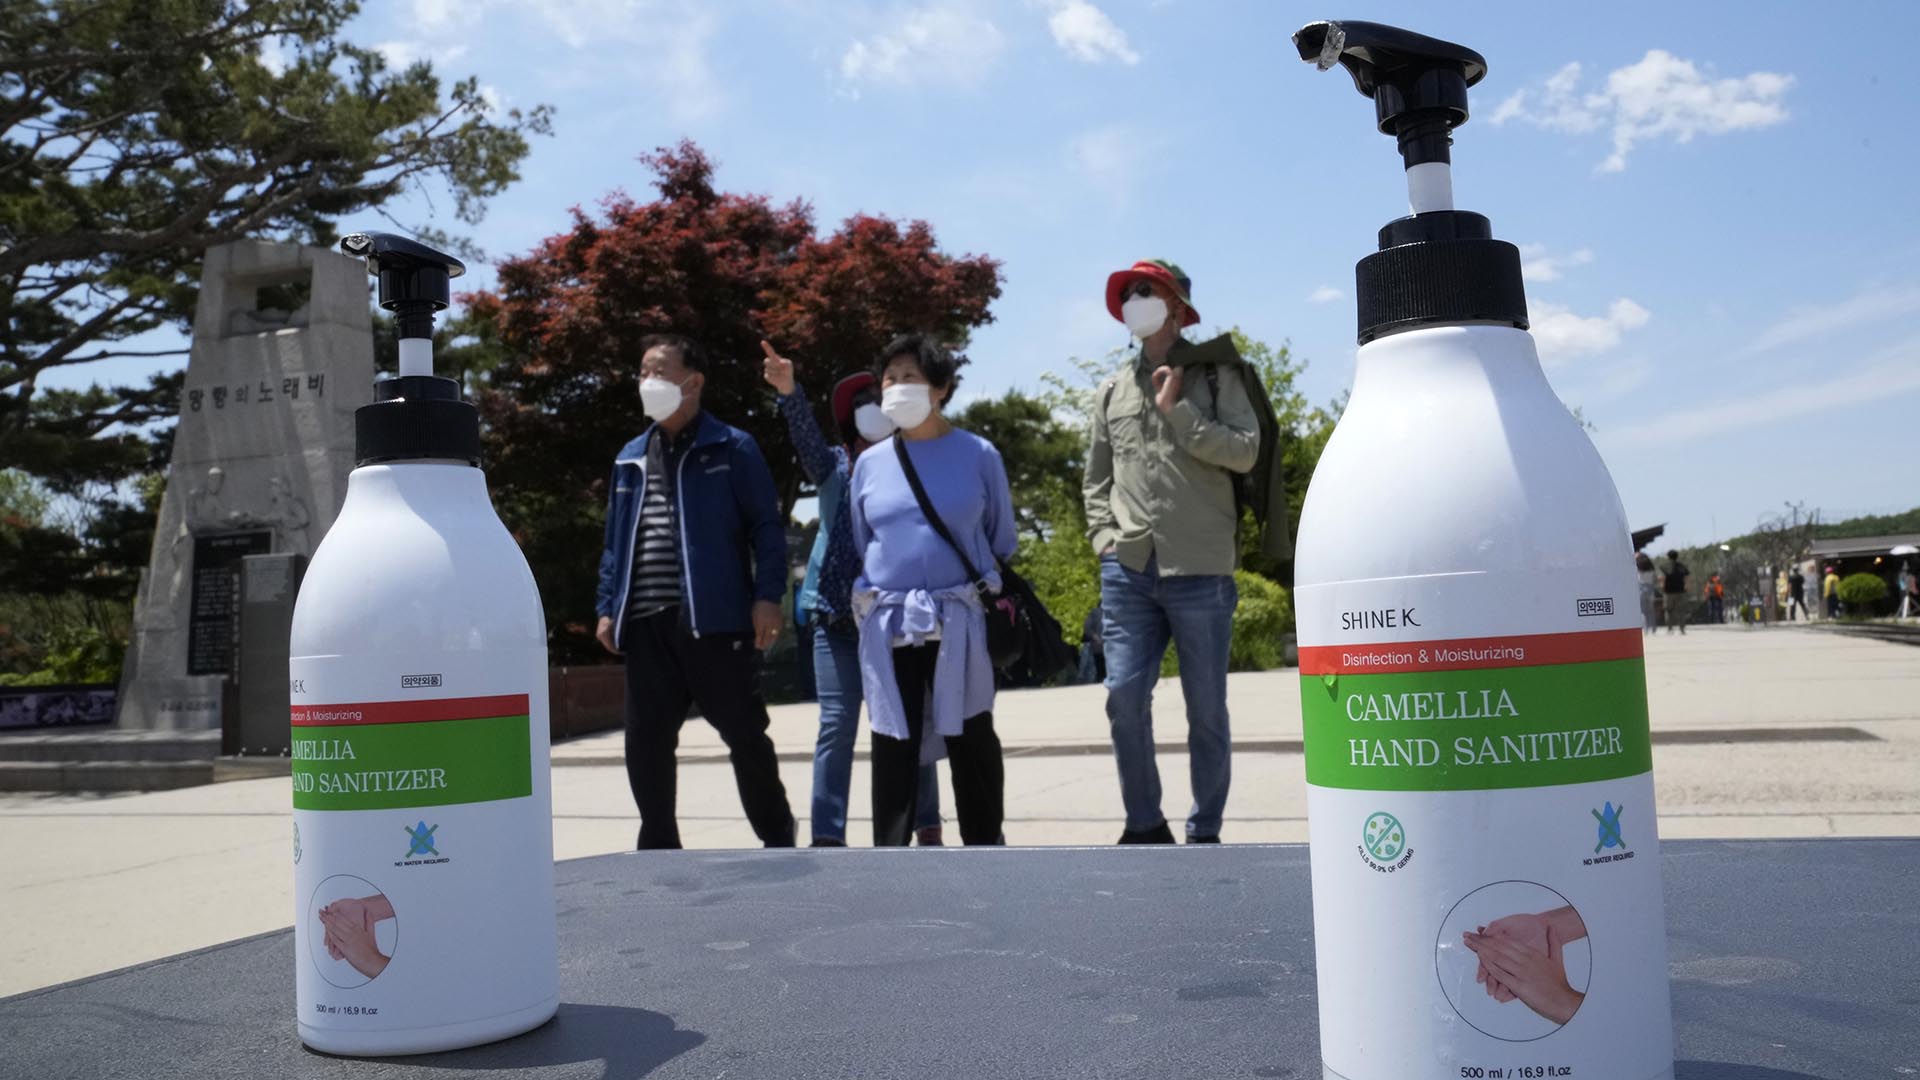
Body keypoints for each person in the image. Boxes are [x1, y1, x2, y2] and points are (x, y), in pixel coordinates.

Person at [595, 334, 796, 850]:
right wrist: (605, 607)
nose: (648, 383)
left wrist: (768, 596)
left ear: (694, 381)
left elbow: (766, 529)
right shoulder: (629, 457)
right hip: (644, 625)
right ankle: (659, 848)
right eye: (643, 372)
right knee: (646, 743)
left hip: (716, 621)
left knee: (746, 736)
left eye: (659, 371)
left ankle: (779, 841)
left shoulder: (732, 447)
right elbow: (615, 544)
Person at [1084, 259, 1259, 844]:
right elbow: (1095, 480)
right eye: (1129, 293)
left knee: (1206, 712)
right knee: (1123, 699)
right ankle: (1144, 823)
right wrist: (1104, 542)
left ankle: (1204, 828)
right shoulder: (1110, 390)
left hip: (1202, 569)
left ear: (1179, 306)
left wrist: (1179, 413)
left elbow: (1246, 452)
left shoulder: (1217, 375)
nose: (1136, 300)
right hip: (1128, 569)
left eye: (1147, 290)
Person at [761, 341, 944, 848]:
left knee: (912, 723)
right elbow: (806, 442)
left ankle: (926, 822)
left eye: (876, 395)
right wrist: (790, 392)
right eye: (860, 400)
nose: (870, 405)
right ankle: (827, 834)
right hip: (835, 619)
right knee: (837, 725)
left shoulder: (917, 463)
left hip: (898, 618)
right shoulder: (835, 468)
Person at [849, 334, 1016, 847]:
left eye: (910, 378)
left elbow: (1001, 538)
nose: (897, 388)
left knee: (972, 735)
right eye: (889, 379)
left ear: (941, 388)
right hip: (891, 623)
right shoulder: (868, 464)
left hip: (961, 619)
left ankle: (987, 850)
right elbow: (864, 540)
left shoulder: (979, 454)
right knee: (893, 740)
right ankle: (891, 858)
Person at [1661, 550, 1691, 634]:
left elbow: (1662, 578)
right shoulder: (1681, 566)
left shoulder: (1665, 566)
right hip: (1680, 591)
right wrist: (1687, 586)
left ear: (1668, 557)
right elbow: (1687, 576)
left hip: (1668, 592)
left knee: (1669, 610)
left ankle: (1670, 629)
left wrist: (1662, 587)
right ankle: (1682, 629)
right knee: (1681, 611)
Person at [1079, 603, 1108, 684]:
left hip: (1108, 648)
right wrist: (1096, 637)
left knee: (1104, 671)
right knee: (1100, 670)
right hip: (1100, 648)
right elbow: (1087, 627)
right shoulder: (1095, 612)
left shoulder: (1113, 612)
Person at [1635, 552, 1659, 634]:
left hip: (1641, 589)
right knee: (1651, 610)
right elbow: (1655, 580)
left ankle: (1645, 629)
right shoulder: (1651, 569)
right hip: (1650, 590)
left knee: (1643, 611)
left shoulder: (1638, 568)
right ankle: (1653, 628)